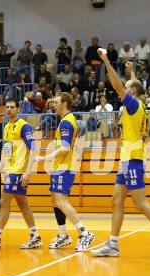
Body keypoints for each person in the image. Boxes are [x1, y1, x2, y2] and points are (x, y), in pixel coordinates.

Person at [90, 50, 150, 261]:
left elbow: (117, 85)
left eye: (128, 88)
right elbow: (133, 84)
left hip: (132, 158)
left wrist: (106, 60)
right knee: (117, 199)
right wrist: (131, 71)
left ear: (132, 92)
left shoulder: (133, 106)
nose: (124, 88)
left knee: (140, 203)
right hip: (127, 159)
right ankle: (113, 244)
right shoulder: (138, 103)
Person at [35, 92, 95, 252]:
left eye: (56, 102)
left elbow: (65, 148)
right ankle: (63, 235)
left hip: (65, 167)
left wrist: (45, 158)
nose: (53, 104)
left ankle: (84, 233)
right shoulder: (64, 121)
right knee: (56, 201)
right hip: (60, 166)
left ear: (65, 103)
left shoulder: (67, 122)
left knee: (61, 201)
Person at [0, 99, 41, 249]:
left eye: (12, 107)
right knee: (22, 204)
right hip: (9, 171)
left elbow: (33, 148)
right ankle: (35, 236)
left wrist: (28, 172)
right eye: (7, 107)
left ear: (18, 109)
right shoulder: (6, 127)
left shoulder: (23, 126)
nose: (8, 109)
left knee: (4, 201)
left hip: (18, 172)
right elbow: (6, 152)